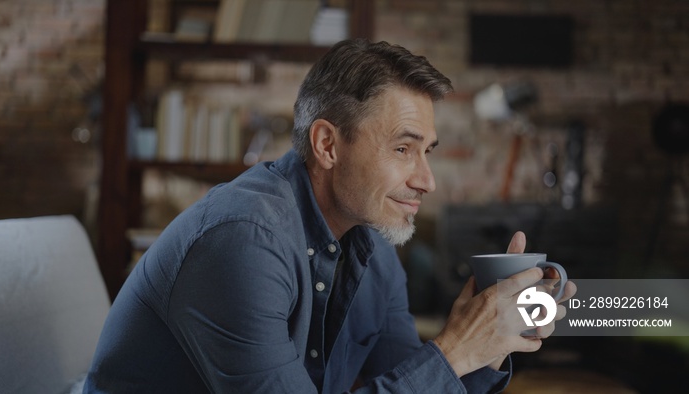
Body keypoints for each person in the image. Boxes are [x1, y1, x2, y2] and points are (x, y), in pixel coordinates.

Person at [84, 38, 576, 393]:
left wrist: (491, 338)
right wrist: (454, 349)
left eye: (427, 151)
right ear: (327, 145)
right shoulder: (242, 241)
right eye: (403, 148)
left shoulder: (375, 248)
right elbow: (431, 372)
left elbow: (417, 381)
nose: (427, 180)